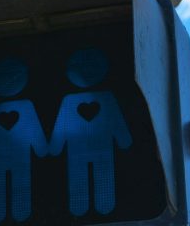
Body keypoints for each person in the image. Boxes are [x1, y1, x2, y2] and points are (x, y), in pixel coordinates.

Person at [48, 49, 132, 216]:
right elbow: (61, 126)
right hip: (84, 151)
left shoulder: (105, 99)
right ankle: (83, 208)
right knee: (80, 180)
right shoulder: (71, 101)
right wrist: (124, 141)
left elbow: (116, 121)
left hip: (97, 151)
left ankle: (97, 208)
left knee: (101, 180)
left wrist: (53, 148)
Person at [0, 58, 47, 222]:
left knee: (19, 187)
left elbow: (34, 129)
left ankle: (19, 214)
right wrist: (43, 149)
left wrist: (42, 149)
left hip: (14, 158)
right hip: (3, 159)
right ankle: (5, 214)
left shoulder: (24, 107)